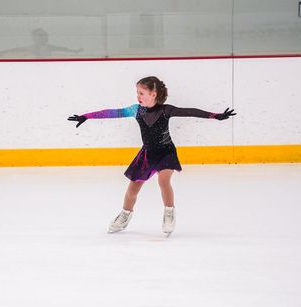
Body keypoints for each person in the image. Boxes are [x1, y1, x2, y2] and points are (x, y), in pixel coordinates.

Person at [68, 76, 236, 237]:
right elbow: (113, 112)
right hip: (147, 155)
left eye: (141, 93)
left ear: (153, 94)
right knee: (132, 190)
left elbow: (190, 111)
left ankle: (169, 213)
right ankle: (125, 215)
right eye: (137, 93)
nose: (138, 96)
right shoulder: (136, 110)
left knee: (163, 181)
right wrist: (86, 116)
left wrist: (215, 115)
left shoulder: (166, 110)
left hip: (166, 152)